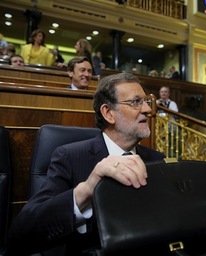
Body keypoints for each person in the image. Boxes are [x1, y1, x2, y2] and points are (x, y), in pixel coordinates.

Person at [7, 72, 166, 255]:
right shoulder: (70, 157)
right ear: (108, 113)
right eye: (136, 102)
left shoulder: (156, 159)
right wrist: (87, 190)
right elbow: (22, 233)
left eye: (146, 102)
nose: (147, 109)